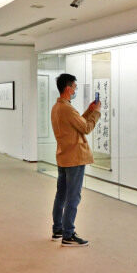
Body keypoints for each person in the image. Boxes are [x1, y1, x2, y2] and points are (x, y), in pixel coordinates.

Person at [50, 73, 101, 247]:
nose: (75, 90)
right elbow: (86, 128)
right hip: (75, 158)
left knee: (61, 195)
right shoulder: (67, 109)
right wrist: (97, 113)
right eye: (74, 87)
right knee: (73, 197)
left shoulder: (57, 107)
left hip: (64, 156)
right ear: (68, 88)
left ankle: (58, 229)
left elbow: (77, 123)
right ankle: (68, 234)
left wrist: (89, 111)